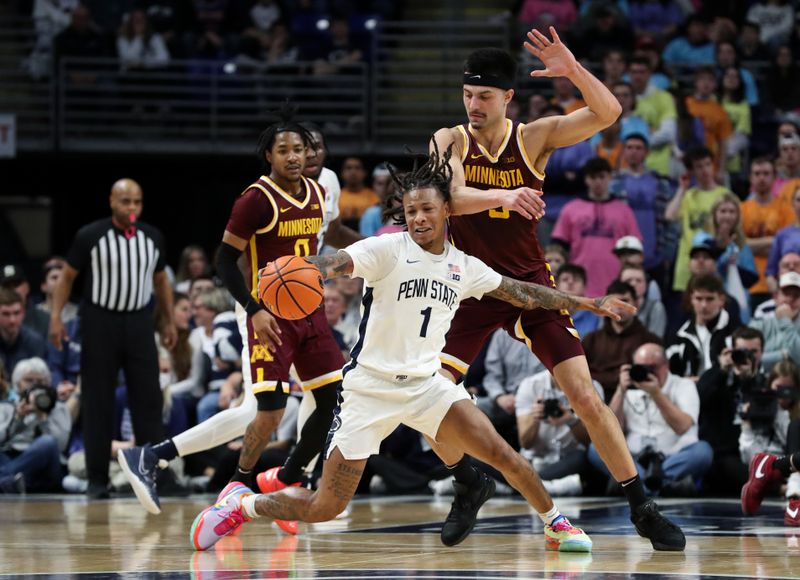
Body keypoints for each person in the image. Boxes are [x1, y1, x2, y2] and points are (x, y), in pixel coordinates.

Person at [189, 143, 634, 552]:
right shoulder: (386, 250)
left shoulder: (464, 265)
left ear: (446, 212)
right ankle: (242, 507)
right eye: (411, 211)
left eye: (427, 209)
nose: (418, 218)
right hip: (369, 391)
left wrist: (589, 302)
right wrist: (305, 267)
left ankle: (555, 522)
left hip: (427, 386)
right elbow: (336, 262)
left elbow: (527, 293)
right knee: (327, 507)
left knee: (503, 454)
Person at [429, 28, 684, 550]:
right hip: (468, 287)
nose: (473, 105)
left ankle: (641, 505)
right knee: (428, 401)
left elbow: (608, 112)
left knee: (586, 397)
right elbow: (450, 199)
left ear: (507, 98)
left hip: (529, 286)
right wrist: (506, 191)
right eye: (467, 95)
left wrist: (572, 69)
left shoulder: (534, 137)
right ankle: (467, 481)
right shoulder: (448, 139)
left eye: (484, 96)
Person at [117, 111, 344, 536]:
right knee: (265, 410)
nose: (294, 157)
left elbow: (316, 250)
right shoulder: (255, 199)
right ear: (269, 156)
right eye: (285, 151)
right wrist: (254, 307)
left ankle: (284, 480)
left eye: (300, 149)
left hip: (308, 309)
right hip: (266, 311)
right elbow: (224, 258)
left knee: (333, 400)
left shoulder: (318, 191)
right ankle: (236, 483)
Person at [47, 178, 177, 499]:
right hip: (99, 322)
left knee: (148, 400)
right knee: (97, 400)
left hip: (138, 323)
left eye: (137, 202)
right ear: (111, 202)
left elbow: (161, 282)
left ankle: (154, 474)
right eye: (125, 202)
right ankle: (96, 479)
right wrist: (55, 318)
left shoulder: (153, 237)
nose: (131, 208)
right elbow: (67, 277)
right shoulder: (90, 235)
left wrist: (169, 321)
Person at [588, 343, 714, 496]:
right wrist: (620, 391)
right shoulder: (629, 387)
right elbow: (612, 431)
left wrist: (656, 394)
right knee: (595, 448)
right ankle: (660, 485)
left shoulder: (684, 385)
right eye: (641, 367)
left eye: (652, 367)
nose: (647, 372)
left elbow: (682, 426)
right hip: (634, 459)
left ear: (666, 366)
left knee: (702, 451)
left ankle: (637, 487)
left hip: (672, 456)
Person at [696, 326, 761, 496]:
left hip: (756, 451)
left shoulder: (765, 380)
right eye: (742, 351)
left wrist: (748, 381)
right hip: (722, 455)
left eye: (753, 352)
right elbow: (701, 400)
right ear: (731, 351)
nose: (748, 356)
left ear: (762, 352)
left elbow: (763, 413)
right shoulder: (713, 375)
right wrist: (722, 371)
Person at [740, 358, 800, 526]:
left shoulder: (794, 420)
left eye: (788, 390)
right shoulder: (758, 405)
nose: (783, 395)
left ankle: (775, 469)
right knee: (733, 468)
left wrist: (782, 414)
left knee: (795, 426)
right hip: (761, 470)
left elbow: (790, 445)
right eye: (778, 389)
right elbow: (749, 457)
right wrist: (747, 424)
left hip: (787, 470)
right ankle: (794, 495)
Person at [0, 288, 46, 375]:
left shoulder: (35, 341)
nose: (12, 320)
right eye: (6, 314)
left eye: (16, 313)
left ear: (23, 313)